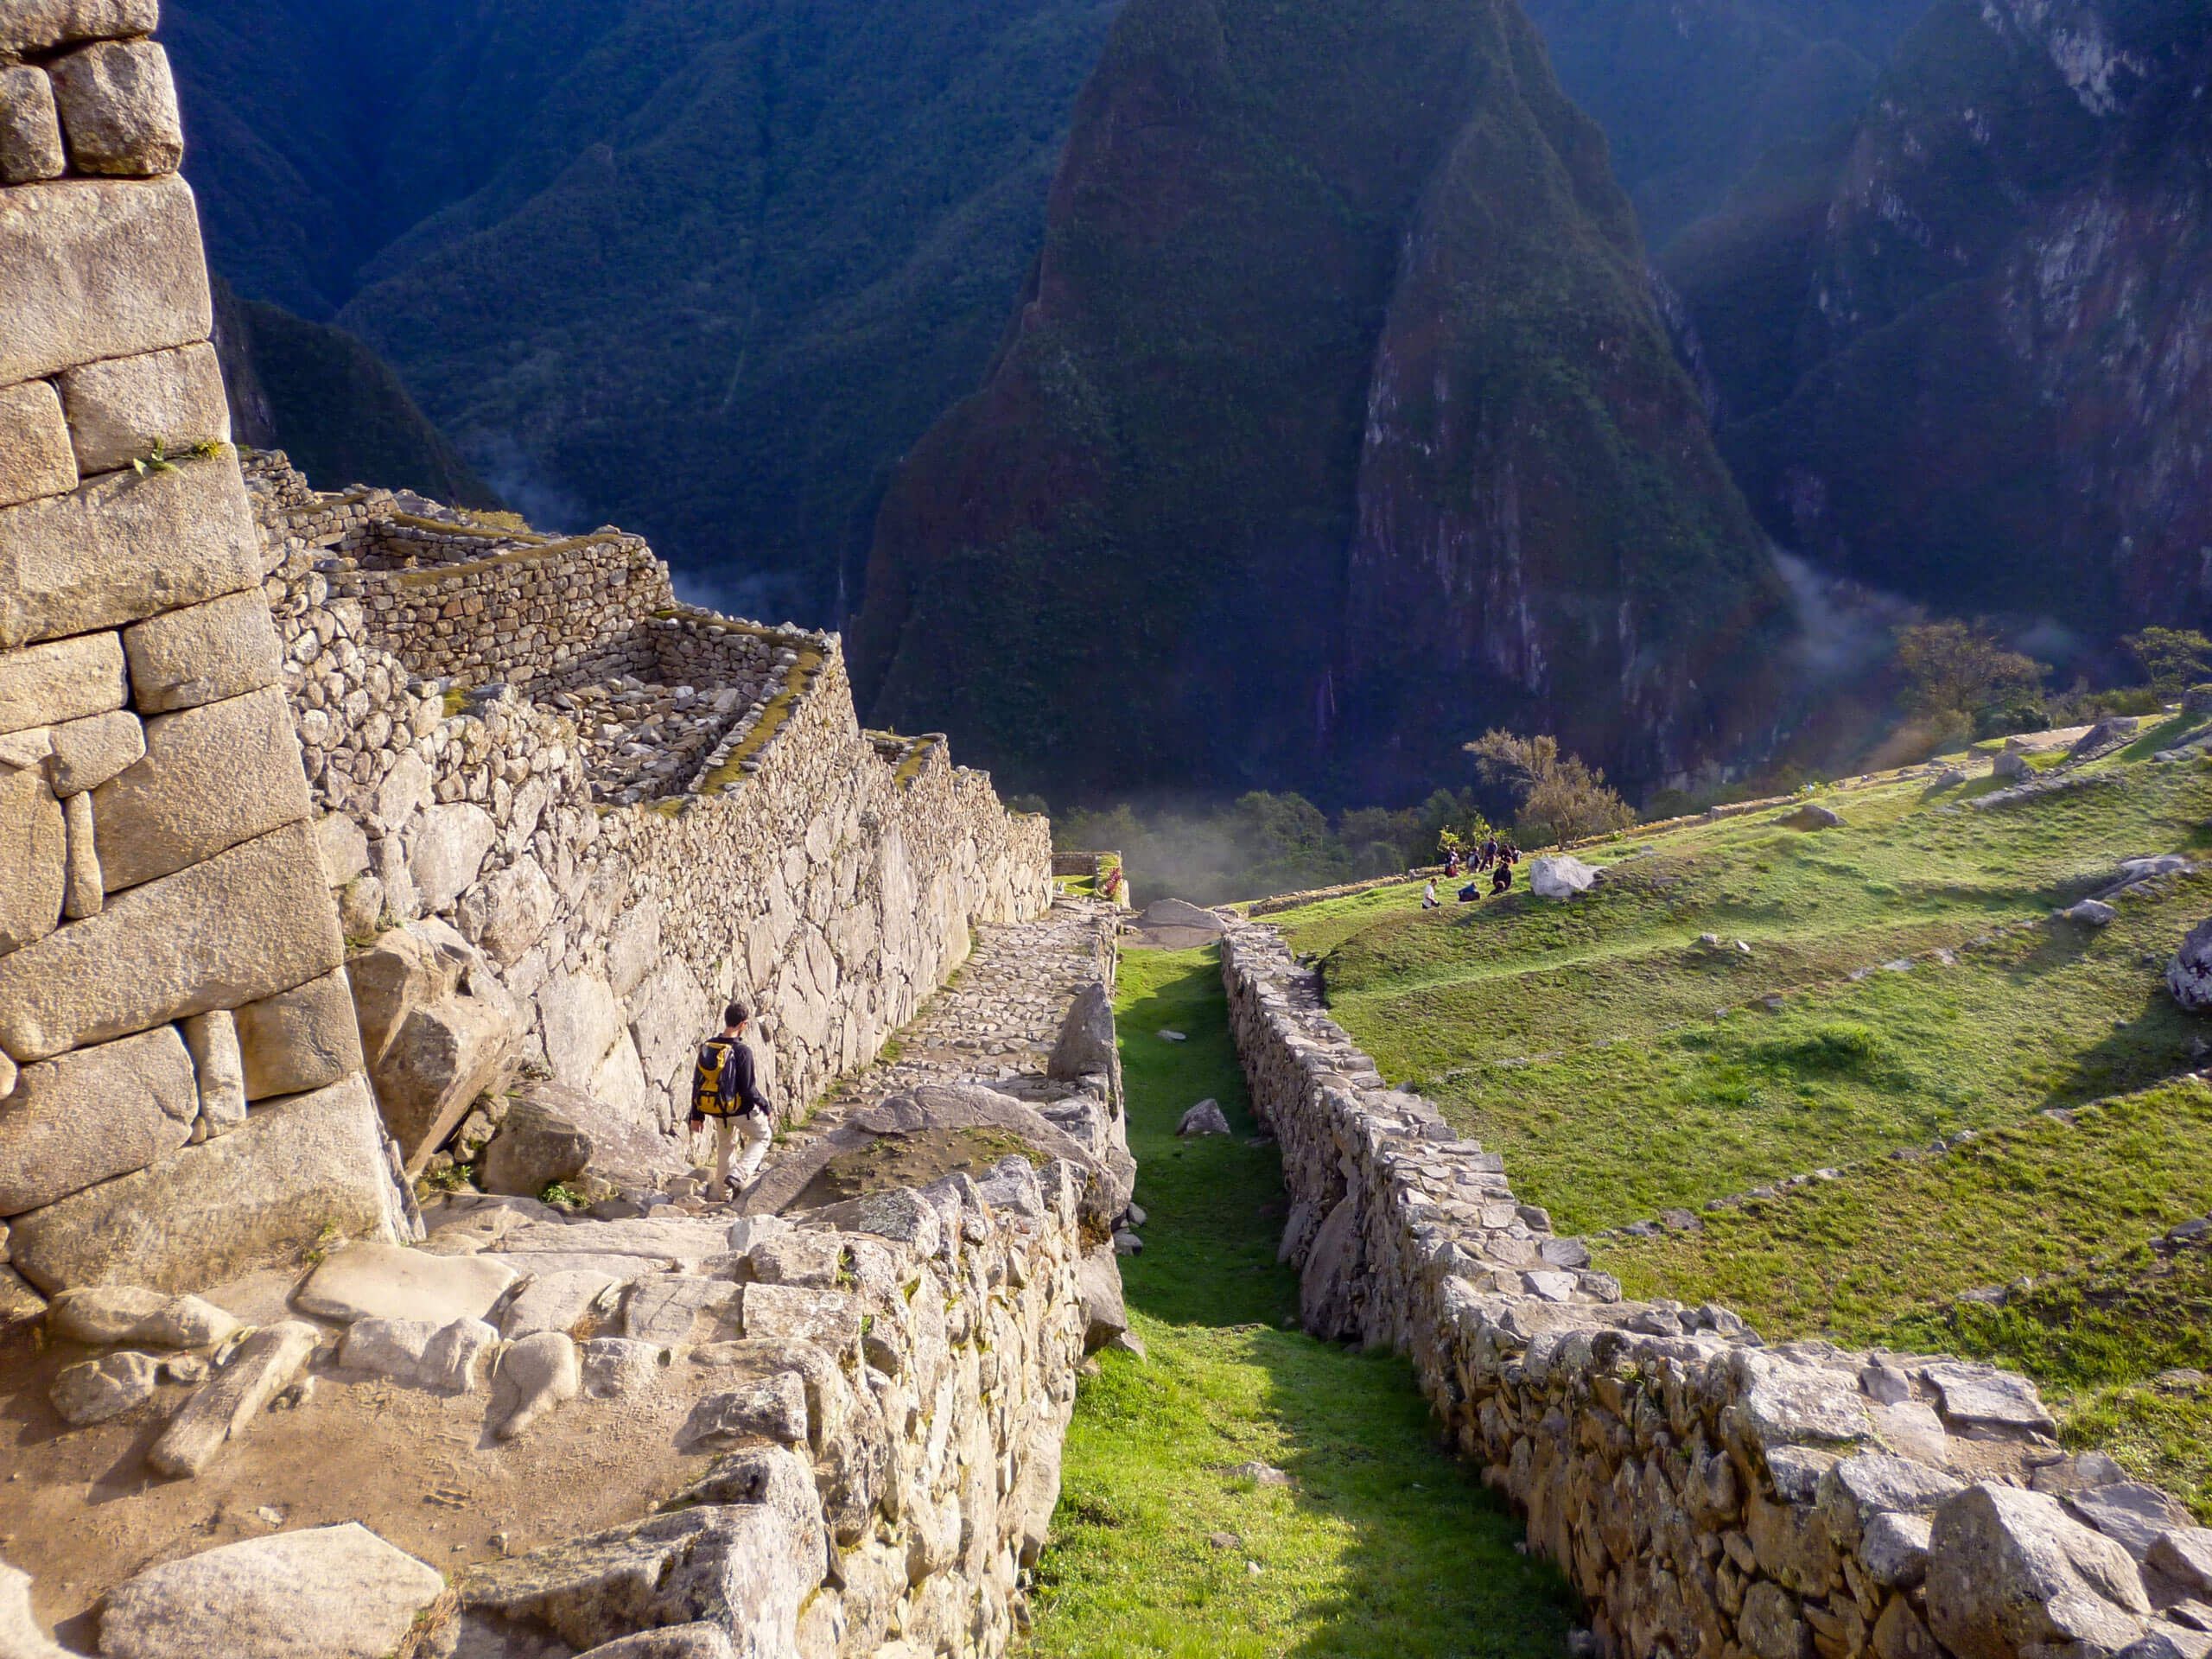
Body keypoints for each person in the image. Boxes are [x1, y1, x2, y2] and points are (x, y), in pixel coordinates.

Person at [690, 1001, 773, 1201]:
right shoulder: (742, 1051)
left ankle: (723, 1196)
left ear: (726, 1020)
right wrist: (765, 1106)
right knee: (763, 1136)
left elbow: (698, 1082)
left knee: (726, 1146)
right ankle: (739, 1174)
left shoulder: (708, 1047)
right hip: (741, 1111)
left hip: (717, 1109)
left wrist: (696, 1115)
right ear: (743, 1024)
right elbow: (748, 1089)